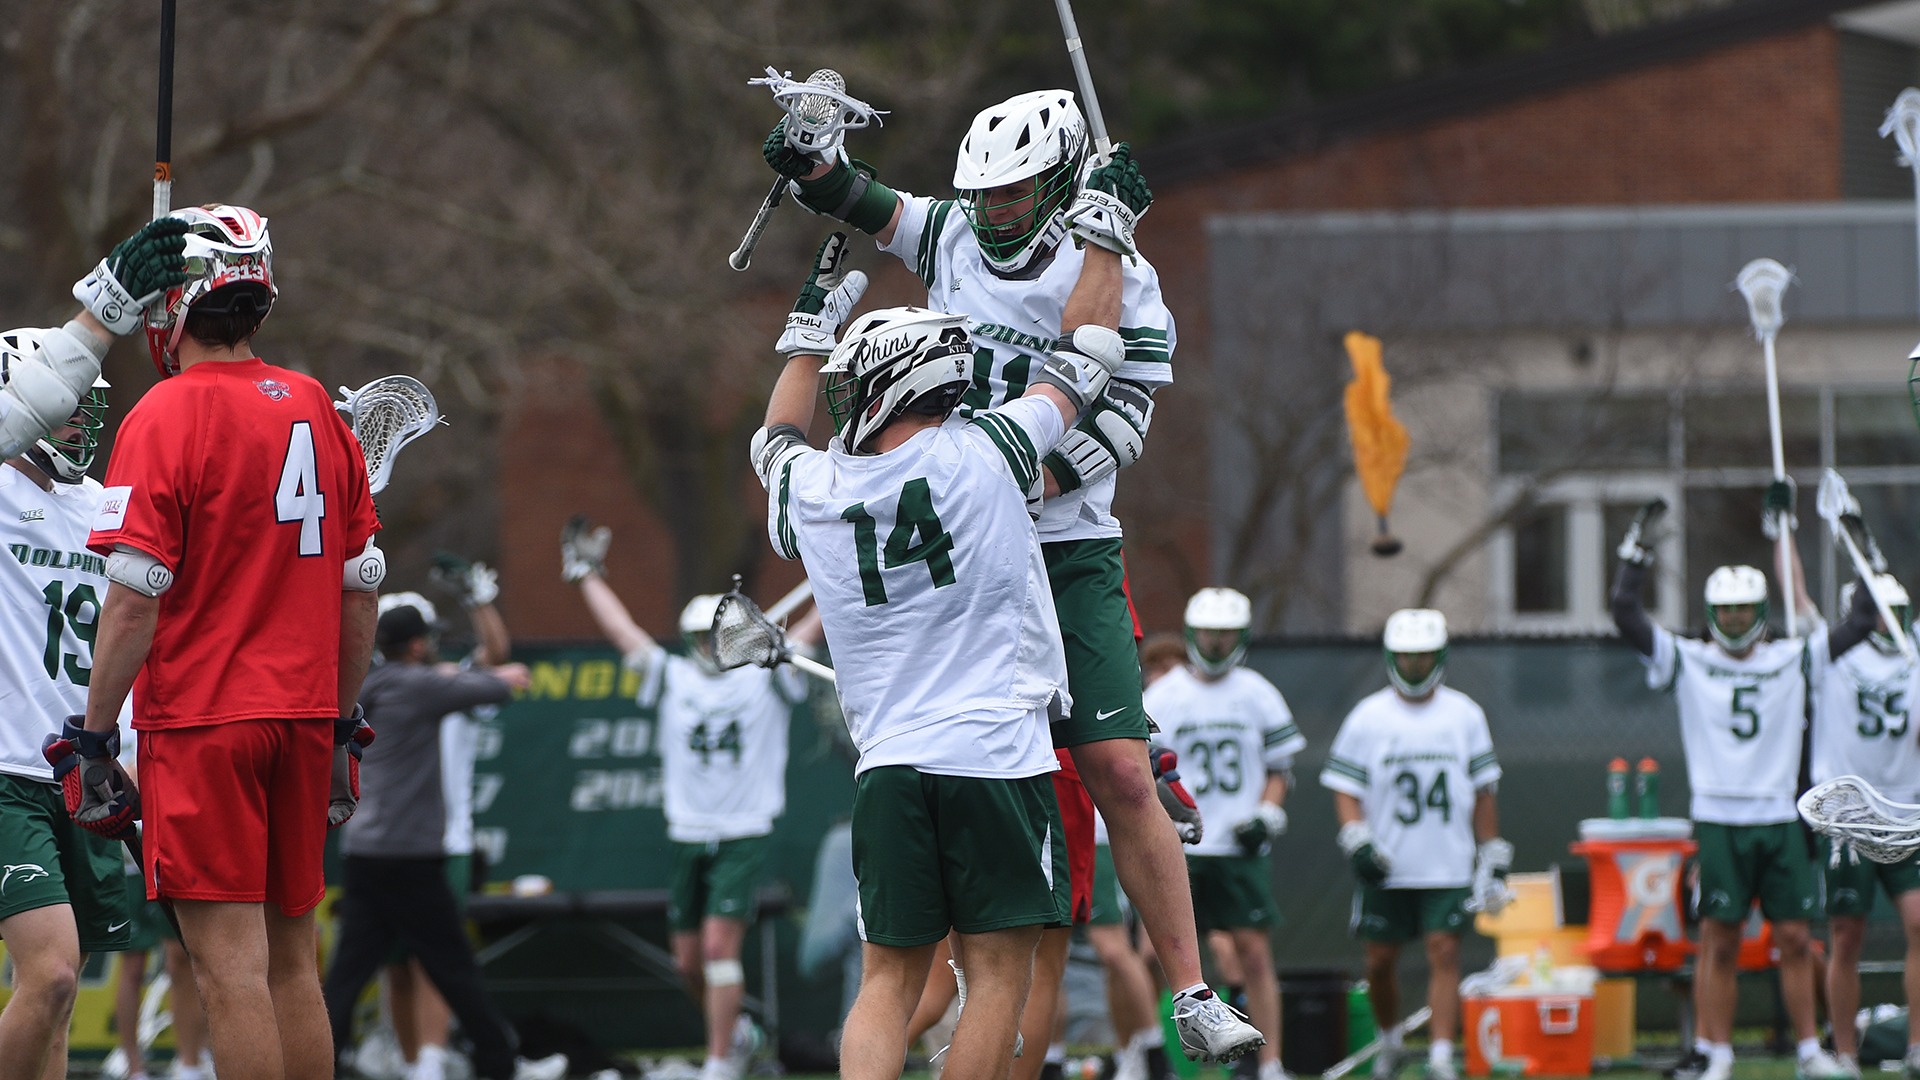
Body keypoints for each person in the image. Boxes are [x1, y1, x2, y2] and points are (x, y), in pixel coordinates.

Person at [764, 89, 1262, 1063]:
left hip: (1060, 539)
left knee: (1115, 769)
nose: (992, 211)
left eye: (1014, 192)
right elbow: (860, 201)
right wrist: (807, 158)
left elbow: (1121, 419)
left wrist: (1020, 481)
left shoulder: (1119, 270)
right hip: (966, 539)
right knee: (980, 851)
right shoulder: (952, 233)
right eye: (981, 193)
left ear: (1064, 178)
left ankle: (1193, 991)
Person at [748, 217, 1135, 1078]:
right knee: (998, 973)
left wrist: (806, 341)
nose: (844, 401)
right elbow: (1089, 355)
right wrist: (1105, 237)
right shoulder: (989, 451)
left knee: (886, 980)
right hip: (995, 754)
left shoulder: (814, 487)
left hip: (887, 765)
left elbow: (772, 438)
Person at [73, 203, 385, 1080]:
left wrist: (98, 734)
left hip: (205, 720)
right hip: (300, 716)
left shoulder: (163, 415)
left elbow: (135, 599)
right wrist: (336, 717)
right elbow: (363, 587)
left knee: (229, 971)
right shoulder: (318, 407)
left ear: (172, 305)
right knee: (293, 965)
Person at [0, 217, 189, 1080]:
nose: (78, 422)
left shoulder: (109, 507)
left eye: (85, 408)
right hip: (6, 771)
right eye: (64, 403)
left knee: (62, 989)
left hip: (83, 773)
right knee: (48, 973)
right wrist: (103, 311)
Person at [1611, 505, 1868, 1080]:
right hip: (1719, 816)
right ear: (1710, 613)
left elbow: (1858, 625)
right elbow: (1625, 614)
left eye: (1743, 609)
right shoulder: (1689, 658)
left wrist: (1862, 554)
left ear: (1760, 611)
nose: (1733, 619)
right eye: (1724, 609)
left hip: (1778, 814)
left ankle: (1809, 1052)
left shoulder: (1791, 656)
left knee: (1797, 938)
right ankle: (1718, 1055)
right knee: (1720, 942)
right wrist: (1637, 554)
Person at [564, 520, 819, 1080]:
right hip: (687, 829)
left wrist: (836, 563)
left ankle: (718, 1062)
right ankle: (740, 1035)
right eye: (702, 637)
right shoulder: (674, 677)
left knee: (717, 945)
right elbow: (623, 632)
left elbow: (813, 622)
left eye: (718, 635)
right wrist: (586, 576)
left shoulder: (765, 675)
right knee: (687, 960)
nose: (711, 646)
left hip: (743, 829)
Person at [321, 597, 566, 1080]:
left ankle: (319, 1062)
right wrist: (506, 676)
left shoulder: (368, 683)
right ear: (416, 645)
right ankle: (500, 1062)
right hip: (410, 856)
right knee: (453, 970)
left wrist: (461, 674)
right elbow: (497, 688)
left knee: (350, 974)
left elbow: (450, 678)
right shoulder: (418, 684)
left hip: (366, 853)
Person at [1320, 609, 1510, 1080]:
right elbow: (1345, 787)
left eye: (1423, 657)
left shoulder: (1464, 714)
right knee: (1379, 961)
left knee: (1445, 953)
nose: (1414, 667)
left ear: (1439, 657)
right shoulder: (1369, 716)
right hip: (1389, 861)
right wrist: (1356, 837)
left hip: (1447, 859)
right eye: (1406, 658)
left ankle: (1442, 1053)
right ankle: (1390, 1041)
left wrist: (1491, 853)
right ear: (1391, 658)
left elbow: (1483, 790)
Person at [1147, 588, 1306, 1080]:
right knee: (1157, 954)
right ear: (1194, 633)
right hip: (1181, 841)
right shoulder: (1165, 695)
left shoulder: (1258, 692)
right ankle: (1165, 1057)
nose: (1216, 643)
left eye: (1226, 633)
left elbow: (1280, 767)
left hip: (1238, 843)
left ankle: (1271, 1062)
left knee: (1254, 953)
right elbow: (1141, 768)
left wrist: (1267, 812)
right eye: (1209, 632)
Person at [1777, 532, 1920, 1079]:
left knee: (1918, 923)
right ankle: (1845, 1053)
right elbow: (1797, 597)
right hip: (1849, 813)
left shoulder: (1914, 658)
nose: (1889, 621)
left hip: (1906, 809)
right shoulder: (1832, 652)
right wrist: (1787, 530)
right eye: (1880, 611)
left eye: (1897, 611)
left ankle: (1914, 1048)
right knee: (1847, 933)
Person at [378, 557, 514, 1080]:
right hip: (383, 843)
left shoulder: (446, 685)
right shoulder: (362, 693)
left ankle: (429, 1061)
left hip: (440, 842)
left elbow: (495, 657)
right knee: (393, 960)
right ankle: (410, 1058)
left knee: (429, 958)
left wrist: (480, 600)